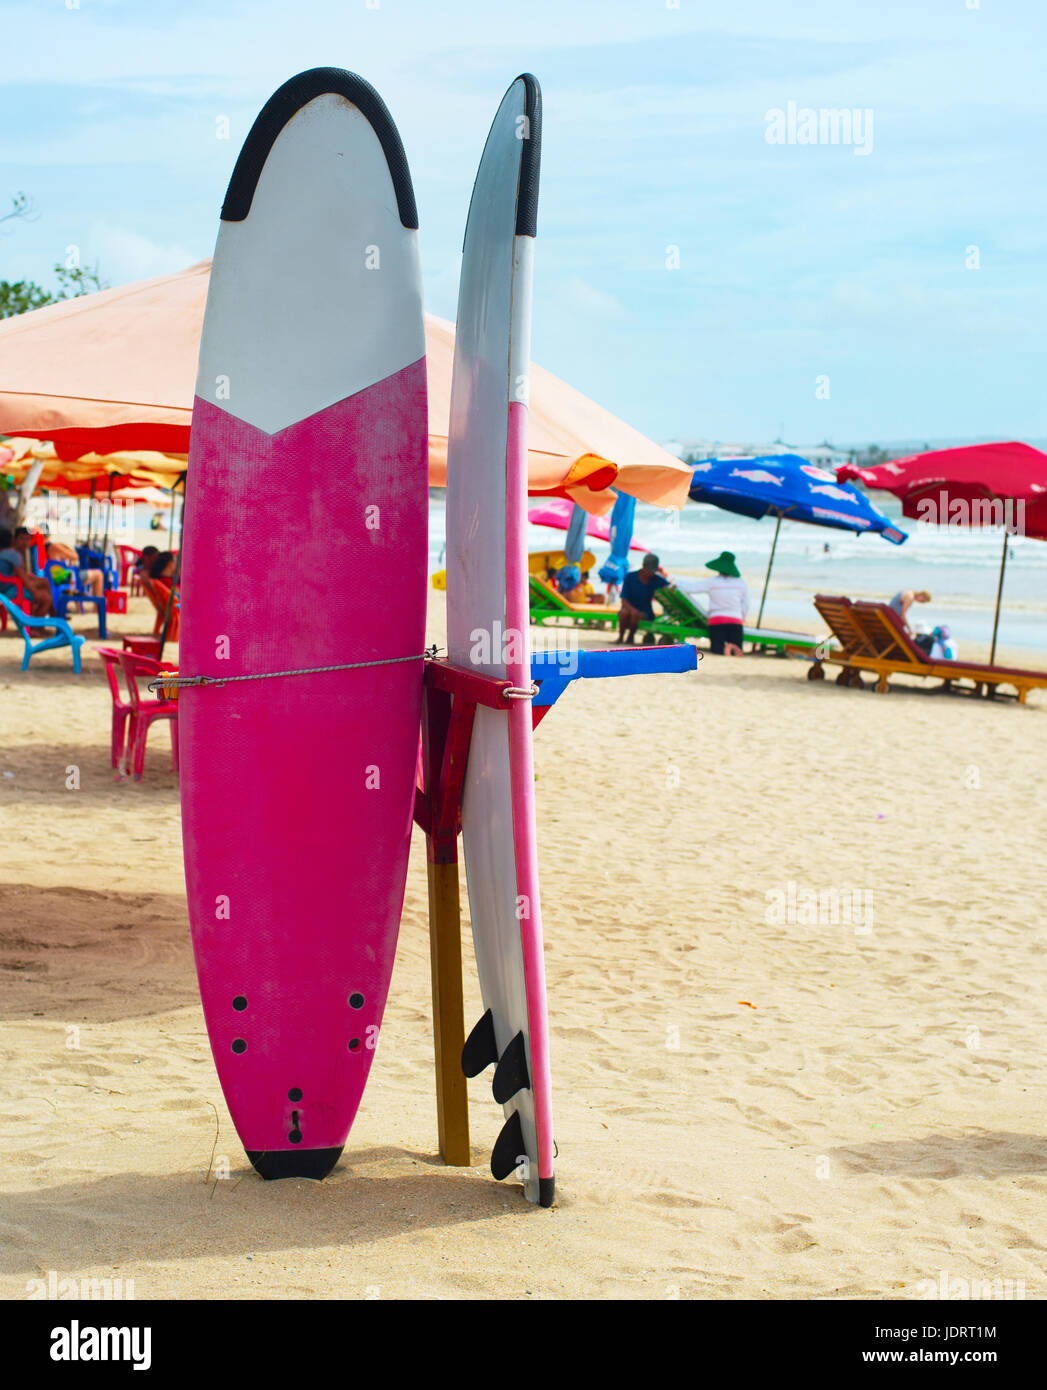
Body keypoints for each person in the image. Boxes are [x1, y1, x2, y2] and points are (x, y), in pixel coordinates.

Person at [683, 551, 750, 656]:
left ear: (719, 567)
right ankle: (731, 647)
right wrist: (742, 617)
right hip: (735, 620)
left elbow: (691, 587)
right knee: (736, 650)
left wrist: (673, 581)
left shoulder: (712, 582)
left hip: (717, 620)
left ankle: (724, 648)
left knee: (717, 650)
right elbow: (746, 605)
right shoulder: (741, 583)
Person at [616, 553, 670, 644]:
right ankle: (621, 637)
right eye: (649, 570)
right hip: (628, 608)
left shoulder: (656, 579)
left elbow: (669, 586)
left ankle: (630, 636)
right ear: (643, 566)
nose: (651, 573)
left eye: (653, 571)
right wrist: (632, 610)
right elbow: (623, 599)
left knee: (635, 614)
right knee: (625, 613)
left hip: (646, 612)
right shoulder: (630, 577)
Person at [0, 526, 53, 617]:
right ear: (14, 540)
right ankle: (37, 627)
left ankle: (49, 614)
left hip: (9, 587)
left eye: (27, 539)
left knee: (44, 583)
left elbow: (19, 574)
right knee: (46, 598)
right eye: (22, 539)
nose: (25, 542)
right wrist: (35, 592)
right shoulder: (13, 554)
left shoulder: (9, 553)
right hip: (8, 590)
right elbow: (21, 576)